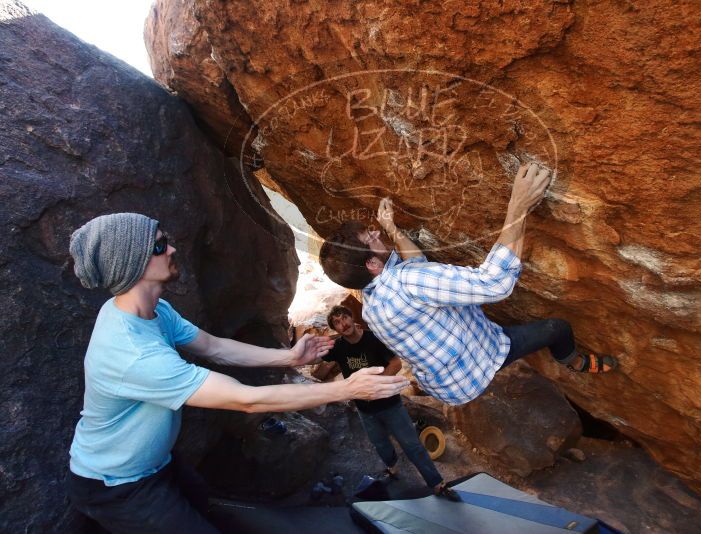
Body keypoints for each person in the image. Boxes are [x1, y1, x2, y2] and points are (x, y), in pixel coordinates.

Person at [65, 213, 409, 533]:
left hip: (155, 465)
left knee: (212, 509)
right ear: (132, 265)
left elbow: (214, 347)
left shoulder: (152, 311)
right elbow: (247, 400)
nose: (171, 248)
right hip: (117, 485)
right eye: (158, 246)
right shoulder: (133, 353)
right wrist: (346, 389)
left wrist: (287, 357)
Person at [319, 162, 617, 406]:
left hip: (446, 387)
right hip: (480, 362)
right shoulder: (408, 282)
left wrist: (392, 229)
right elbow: (494, 284)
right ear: (372, 265)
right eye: (369, 238)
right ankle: (572, 360)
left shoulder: (372, 304)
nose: (374, 233)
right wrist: (519, 204)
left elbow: (416, 267)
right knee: (558, 328)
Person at [322, 305, 459, 501]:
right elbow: (313, 358)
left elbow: (396, 363)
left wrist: (377, 385)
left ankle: (437, 483)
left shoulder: (373, 338)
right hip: (364, 409)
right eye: (337, 322)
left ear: (352, 318)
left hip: (390, 405)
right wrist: (307, 347)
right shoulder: (339, 347)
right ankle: (392, 469)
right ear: (335, 329)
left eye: (345, 317)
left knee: (412, 444)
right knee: (380, 443)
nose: (343, 324)